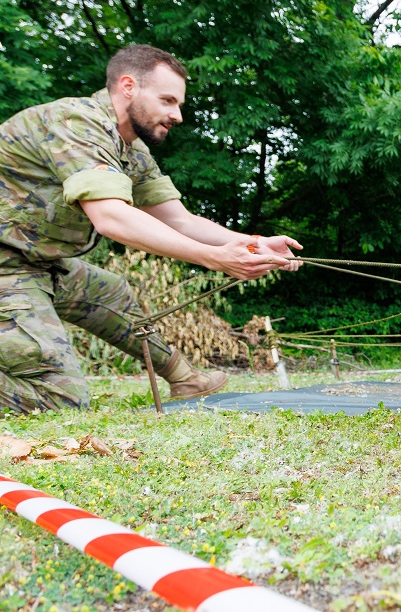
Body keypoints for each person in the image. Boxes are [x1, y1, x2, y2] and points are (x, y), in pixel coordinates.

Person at [0, 44, 302, 414]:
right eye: (167, 101)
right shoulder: (74, 123)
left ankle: (186, 379)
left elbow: (179, 219)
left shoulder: (131, 148)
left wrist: (254, 243)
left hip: (35, 262)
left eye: (179, 104)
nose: (176, 115)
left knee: (111, 293)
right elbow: (111, 217)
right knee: (62, 399)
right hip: (6, 265)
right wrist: (213, 258)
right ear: (128, 87)